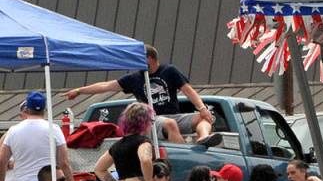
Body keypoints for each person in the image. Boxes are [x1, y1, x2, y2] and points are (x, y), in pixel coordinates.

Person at [67, 44, 220, 147]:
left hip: (174, 115)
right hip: (153, 120)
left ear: (149, 58)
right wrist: (80, 90)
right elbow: (106, 86)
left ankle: (203, 138)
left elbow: (188, 90)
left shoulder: (169, 71)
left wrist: (202, 108)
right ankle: (182, 155)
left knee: (203, 118)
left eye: (138, 58)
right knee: (170, 124)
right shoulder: (134, 78)